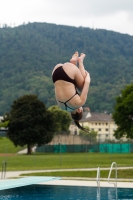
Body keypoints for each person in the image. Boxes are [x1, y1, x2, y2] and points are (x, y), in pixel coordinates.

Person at [52, 51, 91, 131]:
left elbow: (86, 82)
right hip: (56, 72)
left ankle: (80, 61)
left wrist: (88, 76)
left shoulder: (79, 103)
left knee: (83, 86)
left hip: (68, 72)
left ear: (79, 110)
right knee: (72, 84)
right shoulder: (61, 107)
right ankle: (73, 62)